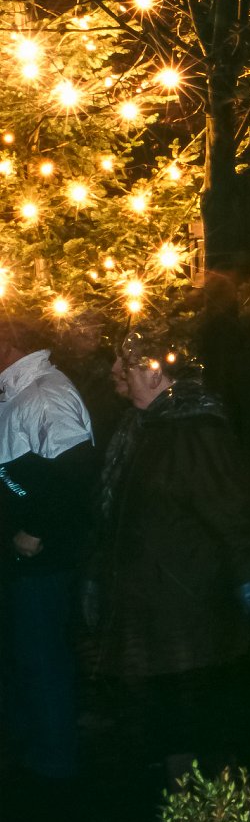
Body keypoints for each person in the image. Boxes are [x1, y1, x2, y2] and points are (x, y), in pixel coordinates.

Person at [88, 330, 250, 779]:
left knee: (195, 714)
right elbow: (116, 514)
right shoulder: (140, 427)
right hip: (150, 603)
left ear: (155, 373)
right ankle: (181, 795)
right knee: (166, 716)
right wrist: (98, 573)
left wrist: (246, 574)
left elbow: (230, 509)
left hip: (188, 608)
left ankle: (209, 802)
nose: (115, 371)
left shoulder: (194, 432)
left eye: (126, 363)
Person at [0, 313, 96, 784]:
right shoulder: (19, 389)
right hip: (28, 558)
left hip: (43, 560)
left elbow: (75, 469)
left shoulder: (44, 393)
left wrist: (35, 531)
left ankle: (54, 760)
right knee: (29, 653)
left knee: (42, 656)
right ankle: (35, 745)